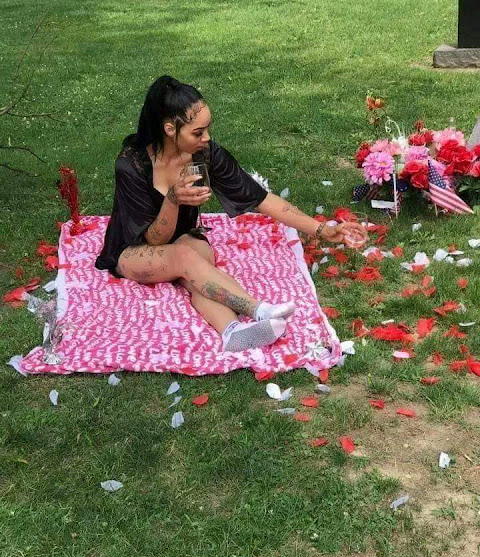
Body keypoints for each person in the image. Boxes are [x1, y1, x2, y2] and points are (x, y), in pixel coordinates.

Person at [95, 75, 367, 352]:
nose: (206, 138)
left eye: (207, 129)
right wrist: (173, 200)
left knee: (200, 269)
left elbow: (260, 199)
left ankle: (232, 332)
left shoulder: (205, 155)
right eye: (198, 133)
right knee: (184, 257)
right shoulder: (132, 165)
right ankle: (259, 309)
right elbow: (153, 240)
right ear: (170, 129)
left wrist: (323, 230)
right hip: (133, 251)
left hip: (182, 240)